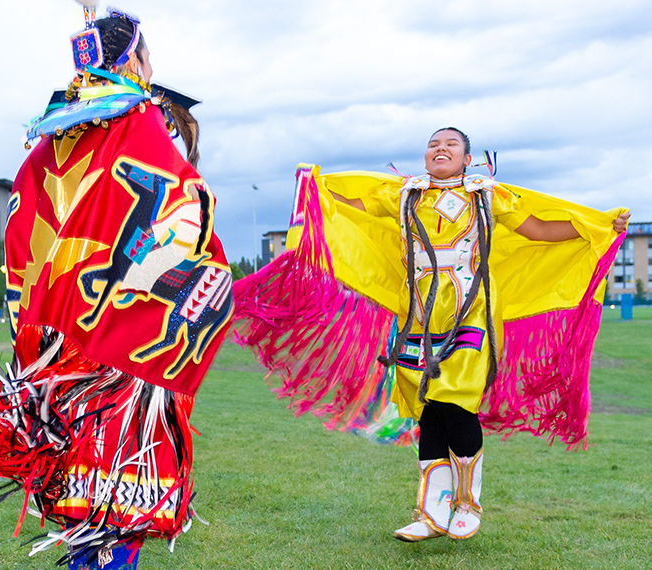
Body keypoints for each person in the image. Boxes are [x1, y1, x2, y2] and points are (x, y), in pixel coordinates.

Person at [0, 0, 232, 569]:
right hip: (118, 340)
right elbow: (180, 202)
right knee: (119, 485)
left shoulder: (53, 135)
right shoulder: (137, 121)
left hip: (59, 343)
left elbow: (25, 223)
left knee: (79, 485)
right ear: (135, 62)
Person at [234, 127, 628, 542]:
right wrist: (316, 191)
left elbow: (538, 230)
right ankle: (431, 514)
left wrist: (599, 227)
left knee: (456, 401)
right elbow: (352, 205)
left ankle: (467, 504)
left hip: (470, 313)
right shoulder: (406, 194)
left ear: (467, 158)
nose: (440, 149)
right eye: (433, 144)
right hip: (419, 319)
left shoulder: (488, 195)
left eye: (451, 144)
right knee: (430, 411)